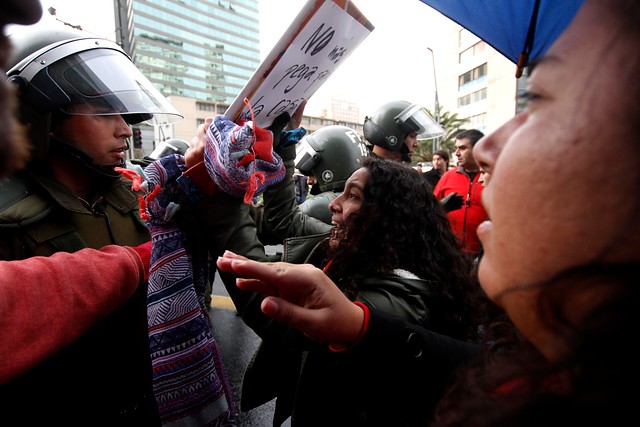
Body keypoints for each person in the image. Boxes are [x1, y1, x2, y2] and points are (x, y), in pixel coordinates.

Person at [217, 0, 640, 424]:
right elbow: (283, 223)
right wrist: (360, 329)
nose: (488, 149)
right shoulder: (531, 371)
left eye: (542, 100)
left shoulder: (407, 279)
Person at [192, 131, 477, 425]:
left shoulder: (393, 301)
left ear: (388, 216)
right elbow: (286, 220)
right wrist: (280, 145)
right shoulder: (359, 247)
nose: (332, 204)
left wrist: (217, 204)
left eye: (352, 195)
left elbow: (275, 314)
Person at [0, 23, 184, 425]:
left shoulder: (137, 196)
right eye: (104, 111)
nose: (124, 128)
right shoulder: (7, 220)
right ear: (38, 116)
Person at [433, 129, 488, 257]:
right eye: (456, 148)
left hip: (483, 255)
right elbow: (431, 208)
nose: (456, 153)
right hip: (450, 252)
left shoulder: (491, 177)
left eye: (462, 148)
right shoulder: (448, 176)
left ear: (478, 149)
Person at [363, 99, 442, 163]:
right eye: (412, 136)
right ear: (393, 138)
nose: (416, 144)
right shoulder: (365, 177)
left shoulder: (396, 176)